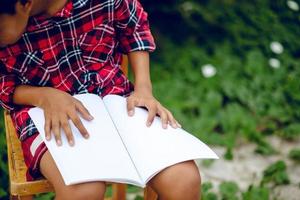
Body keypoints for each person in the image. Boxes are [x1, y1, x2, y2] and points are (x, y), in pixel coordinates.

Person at [0, 0, 201, 199]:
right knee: (83, 191)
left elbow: (134, 23)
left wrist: (143, 89)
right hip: (43, 113)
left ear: (25, 4)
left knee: (184, 180)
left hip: (115, 100)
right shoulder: (10, 16)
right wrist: (43, 96)